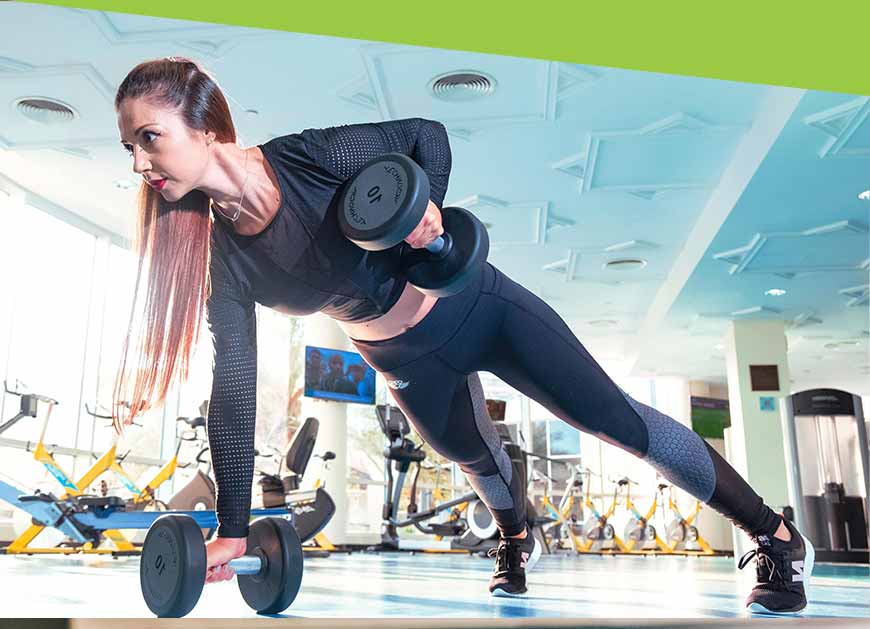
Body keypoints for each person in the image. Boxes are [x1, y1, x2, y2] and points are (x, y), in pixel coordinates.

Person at [112, 57, 811, 612]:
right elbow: (231, 392)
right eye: (128, 146)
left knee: (616, 422)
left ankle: (775, 534)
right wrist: (233, 526)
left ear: (205, 129)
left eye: (150, 137)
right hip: (404, 357)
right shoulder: (225, 265)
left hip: (481, 305)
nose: (139, 162)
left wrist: (429, 206)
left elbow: (425, 137)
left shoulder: (304, 159)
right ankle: (514, 540)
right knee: (471, 457)